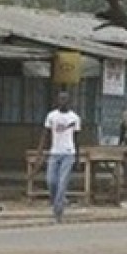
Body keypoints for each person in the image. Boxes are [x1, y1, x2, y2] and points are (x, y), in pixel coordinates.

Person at [37, 91, 81, 222]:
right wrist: (40, 151)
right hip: (54, 152)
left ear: (69, 101)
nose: (63, 102)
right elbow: (45, 135)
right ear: (57, 101)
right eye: (61, 99)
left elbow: (77, 139)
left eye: (65, 99)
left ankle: (58, 212)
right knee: (51, 181)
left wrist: (77, 157)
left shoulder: (75, 118)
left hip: (68, 153)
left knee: (62, 183)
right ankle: (57, 200)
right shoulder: (51, 116)